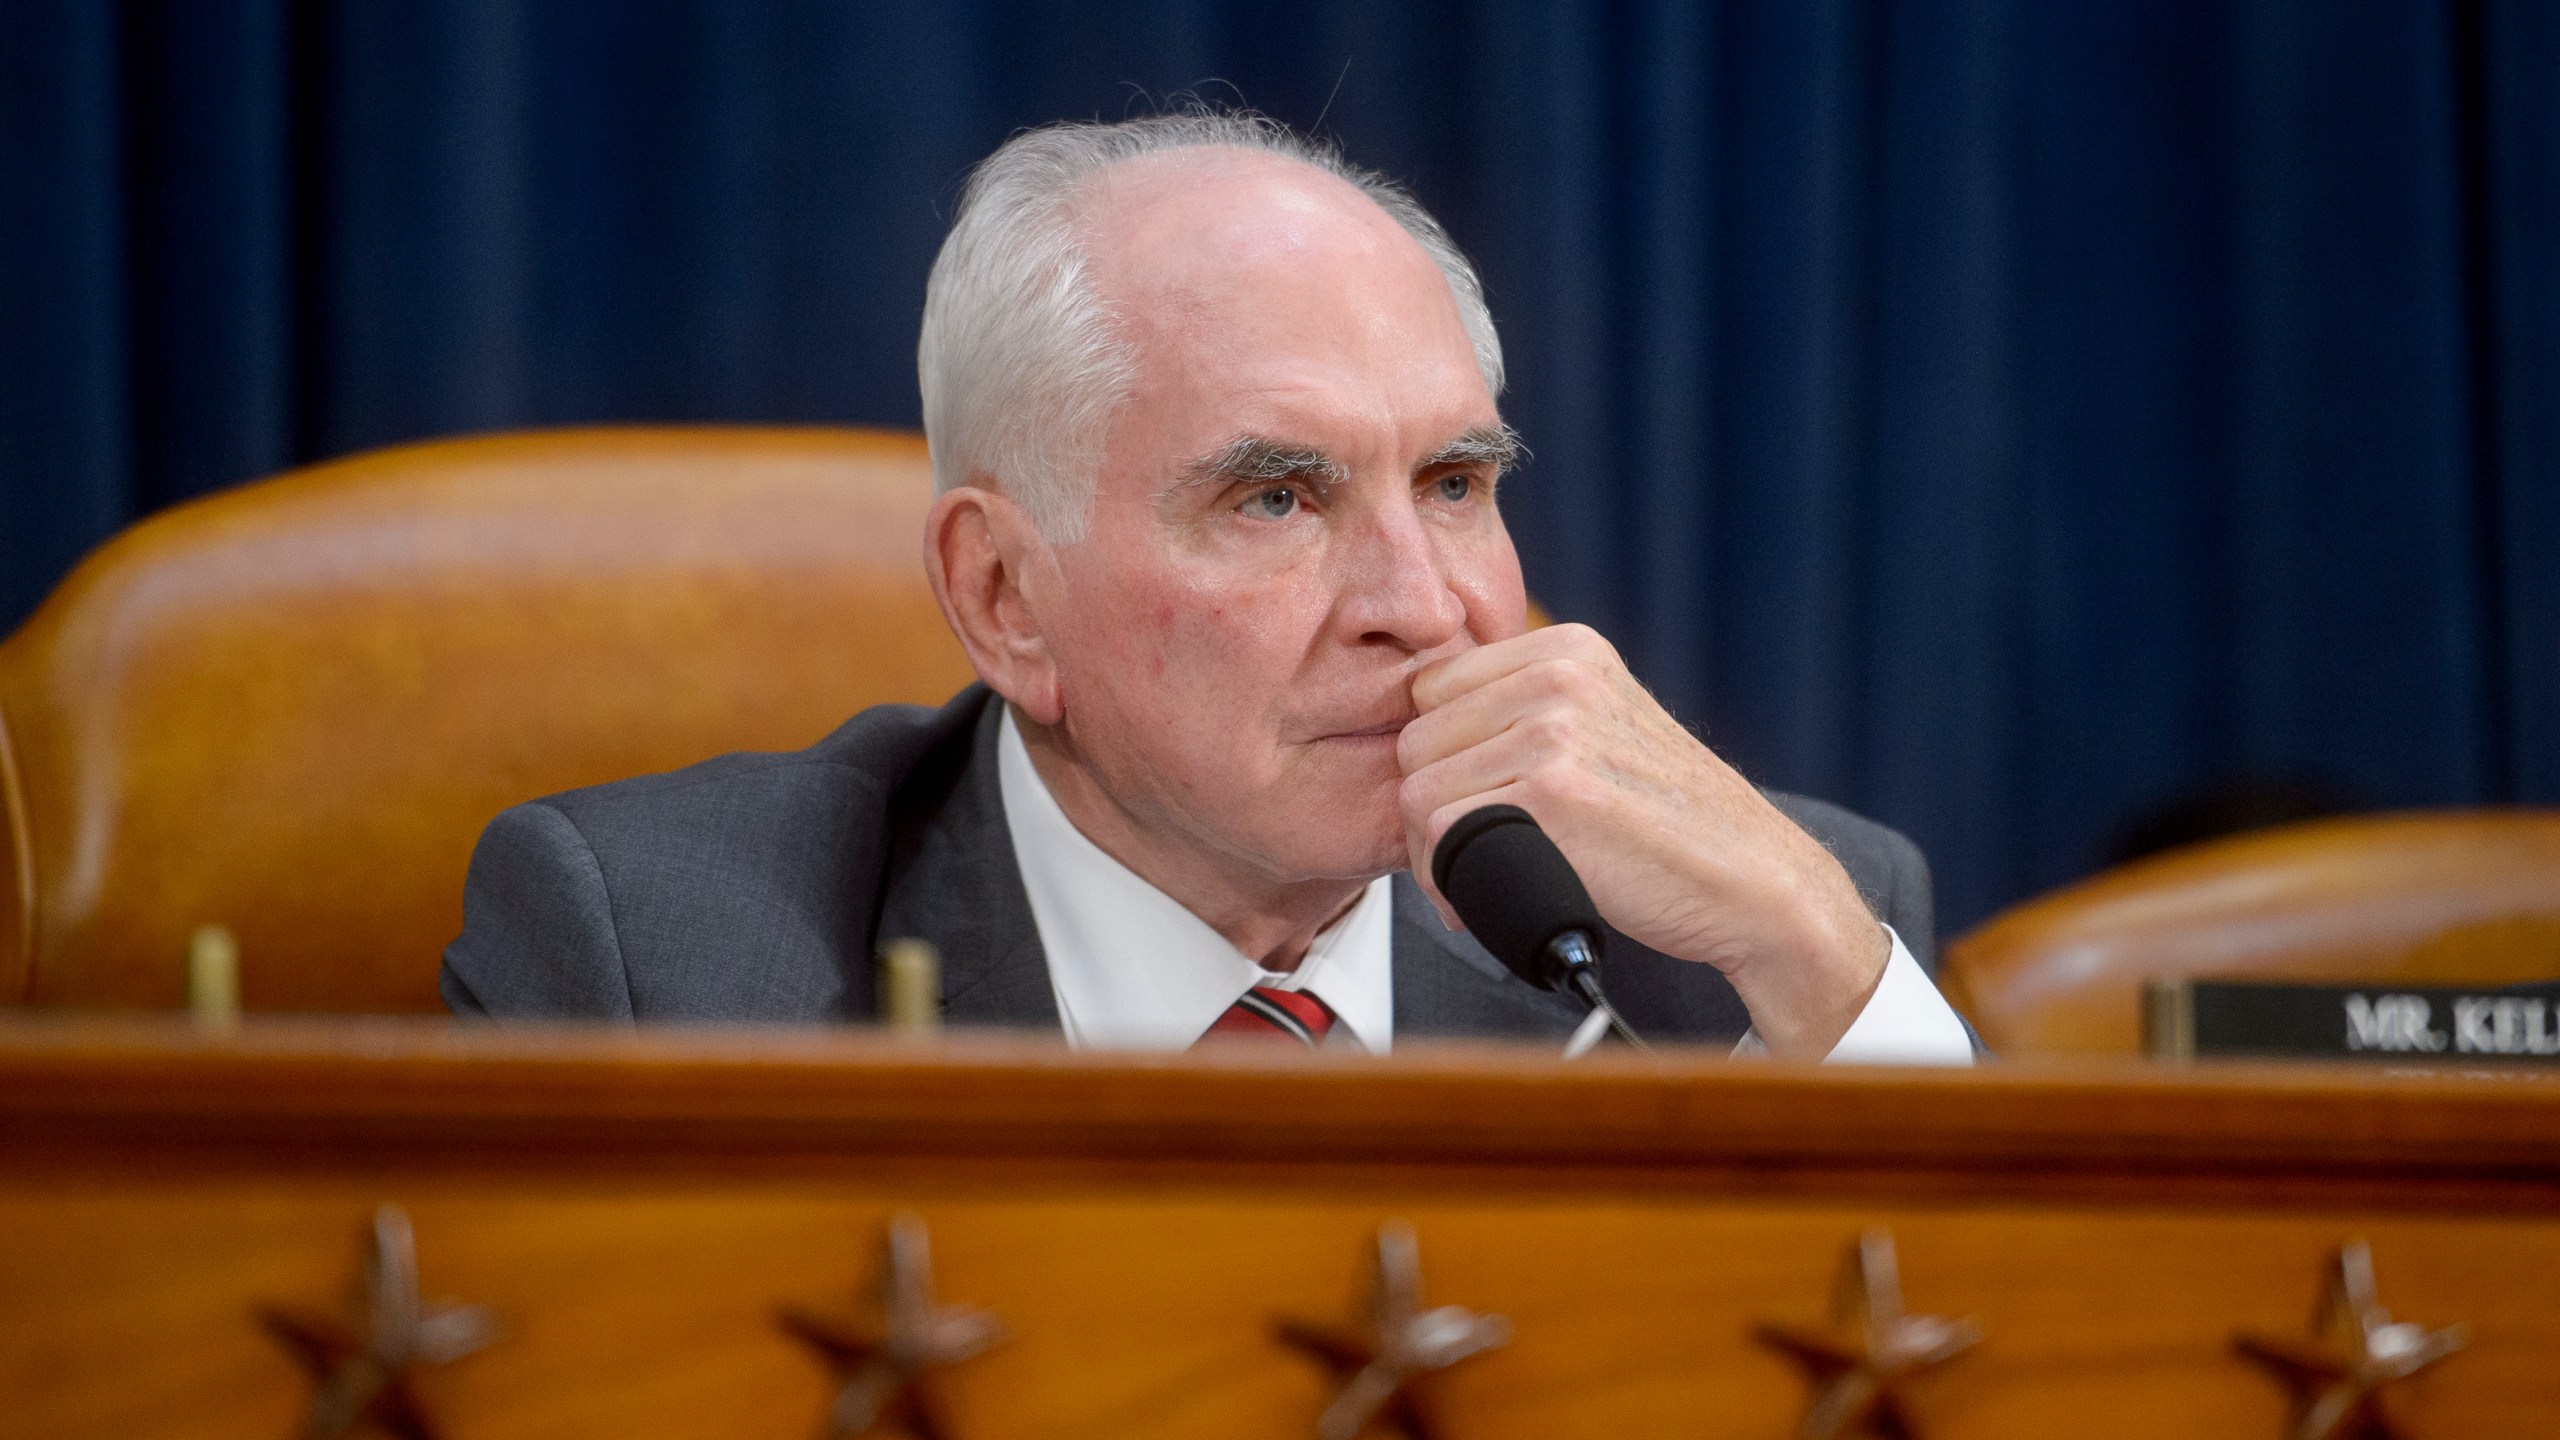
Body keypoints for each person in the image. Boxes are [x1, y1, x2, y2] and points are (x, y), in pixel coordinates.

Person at [443, 111, 1974, 1063]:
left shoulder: (1746, 946)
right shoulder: (659, 964)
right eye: (1277, 496)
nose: (1426, 607)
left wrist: (1826, 961)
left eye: (1455, 483)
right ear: (1004, 598)